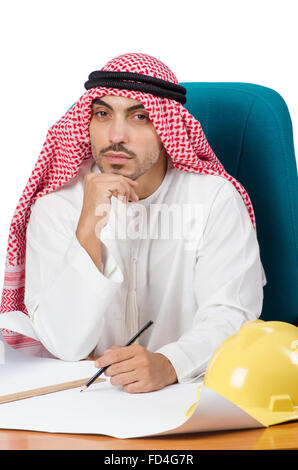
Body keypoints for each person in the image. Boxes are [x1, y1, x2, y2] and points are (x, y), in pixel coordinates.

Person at [0, 53, 266, 394]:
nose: (116, 135)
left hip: (191, 392)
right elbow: (64, 344)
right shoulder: (57, 205)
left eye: (139, 117)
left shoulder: (214, 198)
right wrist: (87, 231)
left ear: (166, 128)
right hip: (85, 399)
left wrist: (171, 363)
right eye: (102, 114)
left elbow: (232, 314)